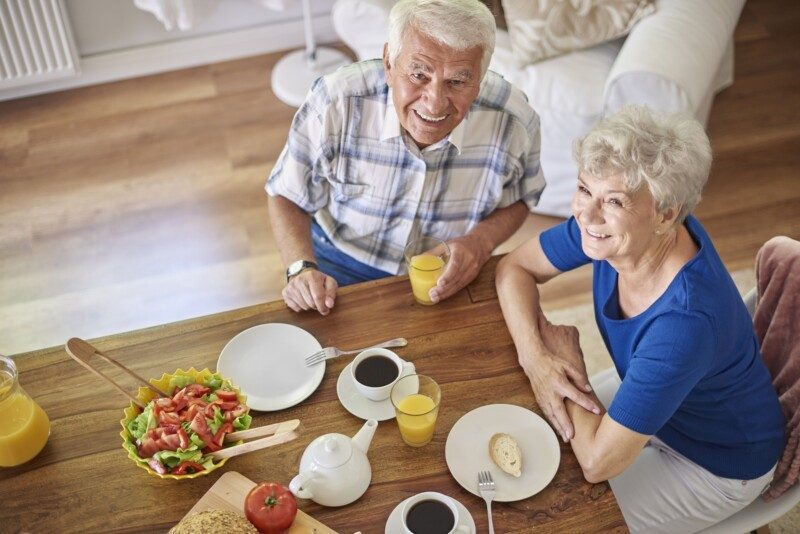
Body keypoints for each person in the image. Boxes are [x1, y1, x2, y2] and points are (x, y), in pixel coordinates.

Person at [496, 105, 785, 533]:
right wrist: (536, 358)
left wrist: (571, 366)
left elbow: (597, 463)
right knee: (532, 438)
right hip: (668, 408)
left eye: (613, 201)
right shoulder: (618, 230)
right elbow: (513, 269)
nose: (587, 216)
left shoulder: (683, 326)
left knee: (560, 518)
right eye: (583, 189)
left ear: (667, 214)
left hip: (718, 462)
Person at [266, 0, 545, 315]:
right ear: (389, 61)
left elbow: (523, 197)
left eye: (457, 81)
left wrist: (480, 243)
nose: (435, 103)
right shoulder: (335, 101)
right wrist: (301, 269)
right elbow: (287, 195)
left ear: (480, 78)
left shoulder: (515, 121)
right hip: (336, 262)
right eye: (419, 75)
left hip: (449, 271)